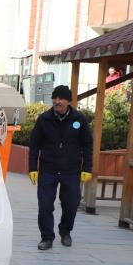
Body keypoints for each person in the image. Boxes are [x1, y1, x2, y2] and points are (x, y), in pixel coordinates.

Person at [28, 85, 93, 250]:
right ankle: (47, 237)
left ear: (68, 101)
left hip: (71, 171)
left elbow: (87, 144)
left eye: (61, 98)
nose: (57, 101)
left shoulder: (79, 119)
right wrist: (32, 168)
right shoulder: (44, 119)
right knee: (45, 205)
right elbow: (34, 144)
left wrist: (87, 168)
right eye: (55, 98)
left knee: (71, 204)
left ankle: (65, 231)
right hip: (48, 170)